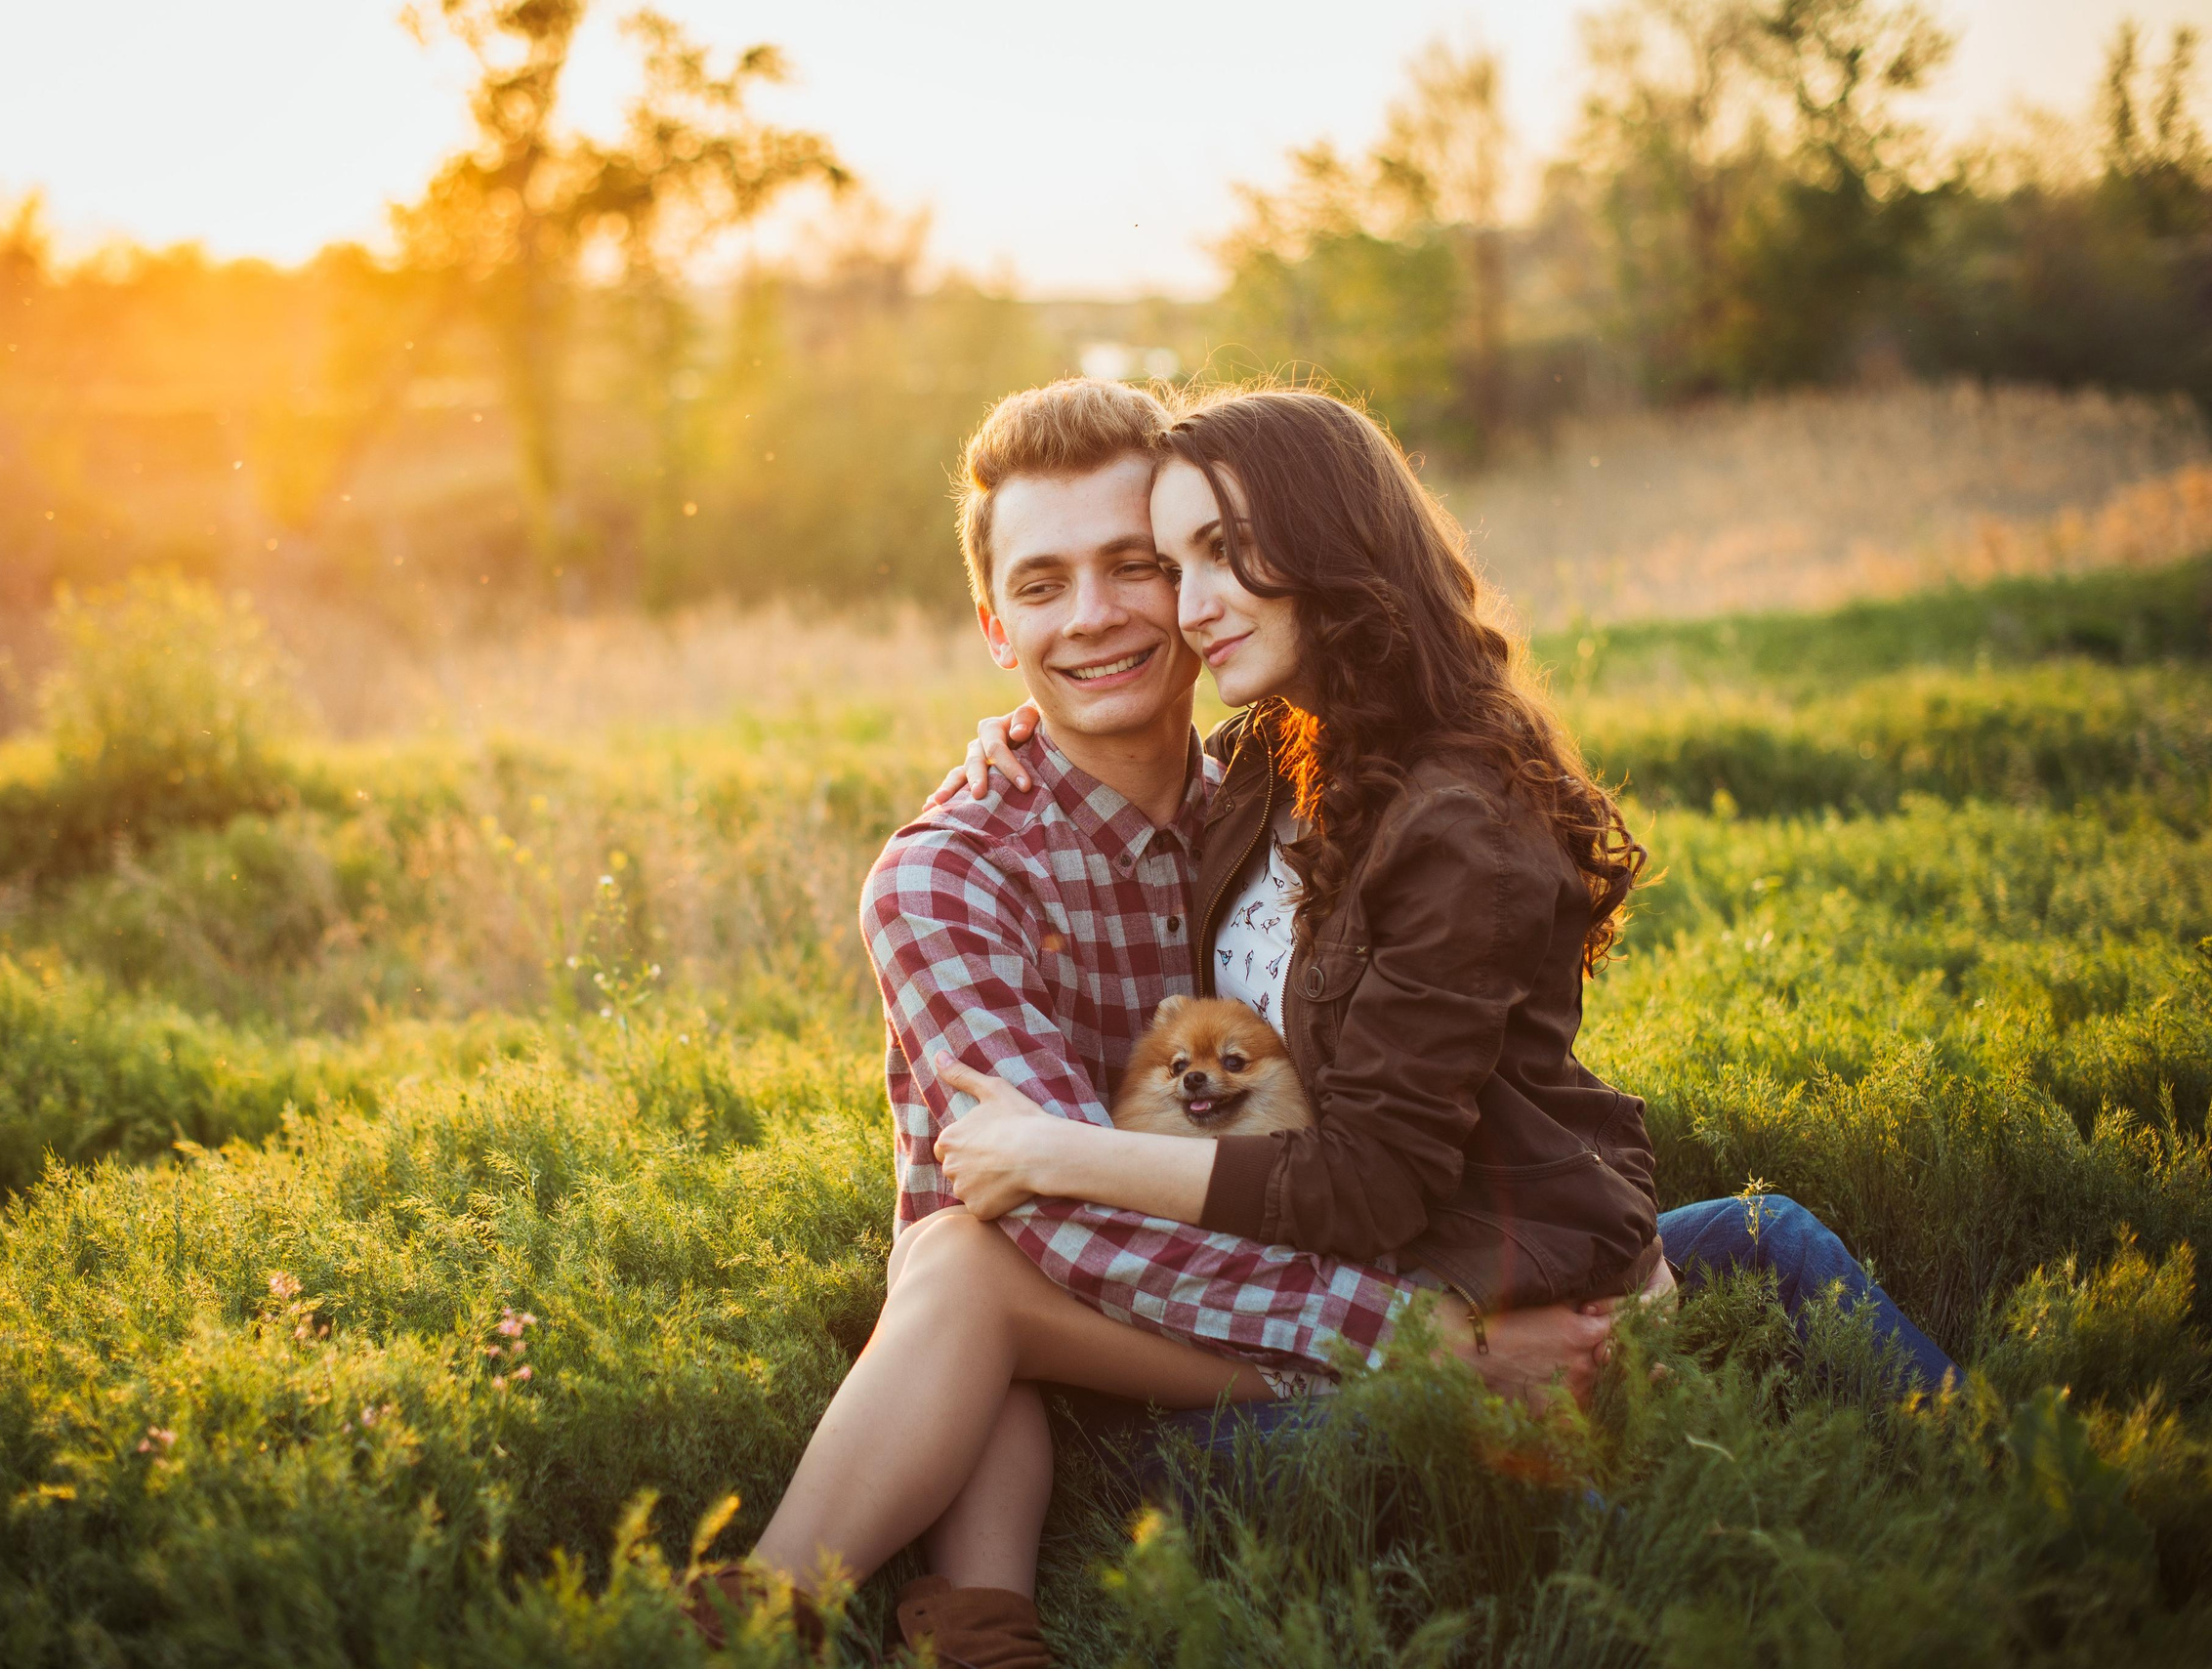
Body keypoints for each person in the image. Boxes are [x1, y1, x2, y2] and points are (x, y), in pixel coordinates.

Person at [708, 378, 1953, 1669]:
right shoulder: (950, 876)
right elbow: (1057, 1219)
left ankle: (2010, 1500)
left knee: (1757, 1233)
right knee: (979, 1265)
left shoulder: (1266, 787)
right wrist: (1434, 1345)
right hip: (1128, 1375)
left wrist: (1570, 1260)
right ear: (995, 625)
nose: (1096, 615)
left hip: (1344, 1267)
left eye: (1141, 565)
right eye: (1042, 585)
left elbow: (1420, 1098)